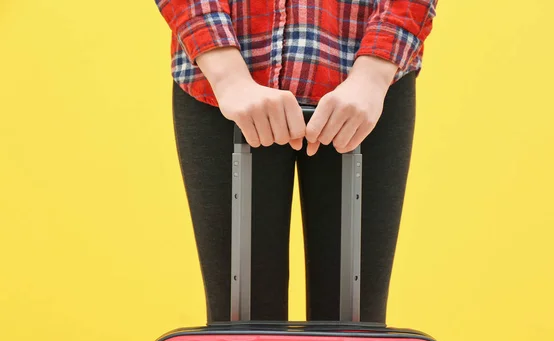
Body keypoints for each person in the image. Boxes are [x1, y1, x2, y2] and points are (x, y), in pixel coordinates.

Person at [153, 0, 438, 323]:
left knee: (356, 338)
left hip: (368, 86)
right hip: (219, 82)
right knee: (239, 336)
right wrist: (227, 75)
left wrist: (374, 74)